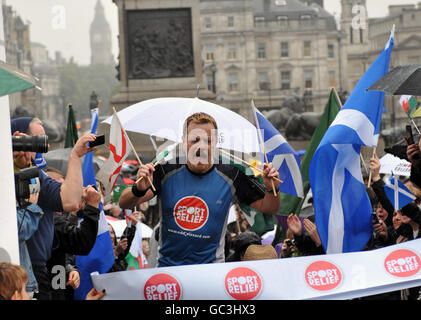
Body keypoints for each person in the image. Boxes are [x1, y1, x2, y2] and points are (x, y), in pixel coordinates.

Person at [119, 112, 281, 267]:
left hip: (210, 270)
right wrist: (138, 189)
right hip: (169, 269)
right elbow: (124, 202)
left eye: (207, 141)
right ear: (184, 141)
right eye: (194, 140)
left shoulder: (232, 175)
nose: (201, 146)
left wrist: (272, 188)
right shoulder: (164, 170)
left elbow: (269, 208)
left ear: (216, 142)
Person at [11, 117, 99, 300]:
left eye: (43, 139)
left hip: (37, 270)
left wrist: (75, 156)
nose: (41, 146)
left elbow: (70, 201)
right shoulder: (6, 173)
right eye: (34, 138)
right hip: (13, 269)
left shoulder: (35, 175)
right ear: (14, 137)